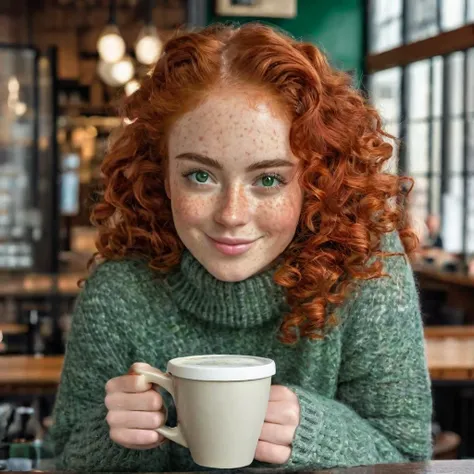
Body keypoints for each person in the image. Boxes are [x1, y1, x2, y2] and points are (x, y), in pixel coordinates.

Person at [50, 23, 432, 472]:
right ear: (163, 174)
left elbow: (409, 457)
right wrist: (113, 435)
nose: (231, 215)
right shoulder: (120, 289)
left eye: (268, 179)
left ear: (314, 182)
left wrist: (314, 430)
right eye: (200, 175)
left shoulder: (365, 269)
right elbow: (65, 456)